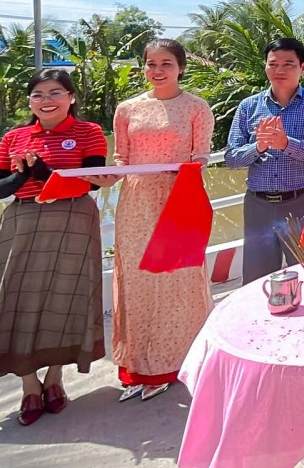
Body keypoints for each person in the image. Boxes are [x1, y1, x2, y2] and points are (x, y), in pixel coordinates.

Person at [0, 70, 107, 426]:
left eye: (55, 92)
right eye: (38, 95)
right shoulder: (14, 137)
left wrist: (46, 172)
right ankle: (29, 385)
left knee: (66, 297)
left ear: (71, 97)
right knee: (17, 299)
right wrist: (22, 176)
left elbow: (92, 183)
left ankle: (55, 378)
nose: (47, 101)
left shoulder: (89, 132)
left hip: (74, 219)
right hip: (24, 220)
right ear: (30, 101)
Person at [103, 39, 215, 402]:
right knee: (136, 281)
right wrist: (98, 177)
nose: (158, 70)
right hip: (136, 204)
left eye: (166, 63)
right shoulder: (127, 109)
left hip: (179, 198)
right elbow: (121, 160)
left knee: (179, 281)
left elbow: (201, 157)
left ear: (181, 67)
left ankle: (177, 362)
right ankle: (138, 367)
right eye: (151, 64)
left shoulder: (196, 108)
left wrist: (183, 169)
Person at [225, 37, 304, 284]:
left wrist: (287, 144)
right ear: (265, 66)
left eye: (288, 64)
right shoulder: (248, 107)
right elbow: (231, 158)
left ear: (303, 67)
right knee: (257, 279)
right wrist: (259, 146)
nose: (279, 70)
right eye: (273, 64)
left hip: (303, 202)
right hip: (258, 206)